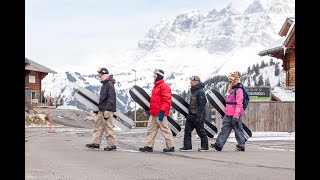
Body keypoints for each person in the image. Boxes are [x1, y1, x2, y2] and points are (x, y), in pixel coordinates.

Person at [139, 69, 176, 152]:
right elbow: (154, 101)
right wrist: (150, 110)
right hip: (153, 113)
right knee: (150, 130)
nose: (154, 76)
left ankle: (171, 146)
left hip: (160, 113)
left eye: (155, 74)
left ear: (159, 75)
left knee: (165, 130)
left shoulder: (164, 87)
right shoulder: (156, 87)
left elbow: (167, 101)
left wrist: (162, 111)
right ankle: (148, 146)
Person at [210, 71, 246, 152]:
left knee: (238, 130)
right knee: (225, 129)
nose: (229, 81)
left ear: (235, 79)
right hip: (228, 114)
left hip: (236, 114)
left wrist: (236, 114)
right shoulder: (231, 89)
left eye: (231, 79)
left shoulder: (239, 90)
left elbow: (239, 103)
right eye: (229, 79)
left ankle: (241, 145)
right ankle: (219, 145)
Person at [85, 67, 117, 151]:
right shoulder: (104, 83)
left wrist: (108, 110)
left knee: (108, 127)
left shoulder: (109, 84)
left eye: (99, 73)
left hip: (107, 110)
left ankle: (112, 145)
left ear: (103, 74)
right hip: (102, 110)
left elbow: (111, 98)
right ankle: (95, 143)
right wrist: (98, 109)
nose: (98, 75)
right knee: (98, 126)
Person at [179, 76, 209, 152]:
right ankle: (187, 147)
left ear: (196, 82)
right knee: (187, 131)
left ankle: (205, 147)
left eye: (192, 81)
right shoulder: (194, 91)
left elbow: (202, 104)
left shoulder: (200, 92)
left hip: (197, 116)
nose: (190, 82)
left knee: (200, 131)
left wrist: (199, 116)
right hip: (191, 115)